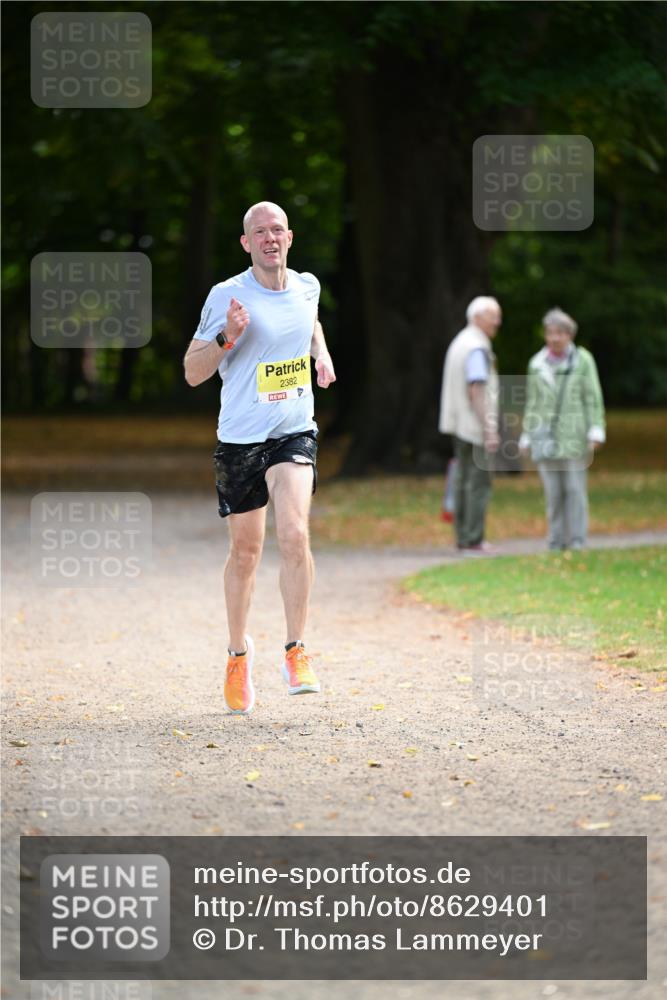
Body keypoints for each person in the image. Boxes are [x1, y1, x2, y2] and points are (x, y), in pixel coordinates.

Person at [183, 201, 336, 714]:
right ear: (246, 243)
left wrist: (321, 352)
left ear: (289, 237)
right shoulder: (227, 295)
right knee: (246, 553)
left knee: (294, 533)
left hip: (293, 431)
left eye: (277, 230)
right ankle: (237, 655)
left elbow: (308, 319)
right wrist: (228, 337)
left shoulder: (307, 286)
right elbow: (192, 372)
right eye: (258, 232)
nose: (270, 238)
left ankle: (296, 650)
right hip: (241, 439)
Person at [519, 307, 605, 551]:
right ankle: (556, 540)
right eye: (550, 333)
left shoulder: (583, 361)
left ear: (570, 335)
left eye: (560, 333)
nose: (554, 338)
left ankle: (577, 541)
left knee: (575, 490)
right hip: (544, 436)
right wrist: (527, 434)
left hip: (574, 436)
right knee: (553, 494)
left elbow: (593, 397)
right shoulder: (536, 364)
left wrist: (596, 428)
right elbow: (532, 402)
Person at [438, 296, 501, 552]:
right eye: (492, 316)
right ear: (476, 317)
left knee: (463, 479)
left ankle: (463, 537)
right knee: (478, 483)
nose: (497, 322)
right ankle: (473, 538)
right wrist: (489, 428)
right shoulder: (477, 346)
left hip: (458, 425)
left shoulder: (459, 342)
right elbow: (477, 388)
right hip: (474, 426)